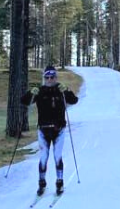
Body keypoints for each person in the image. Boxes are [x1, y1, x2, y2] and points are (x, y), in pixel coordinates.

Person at [21, 65, 78, 196]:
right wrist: (31, 93)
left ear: (56, 77)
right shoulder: (40, 91)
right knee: (43, 157)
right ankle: (42, 183)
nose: (50, 79)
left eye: (52, 77)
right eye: (47, 77)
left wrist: (67, 91)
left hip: (59, 130)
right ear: (44, 78)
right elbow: (23, 101)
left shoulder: (61, 90)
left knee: (57, 156)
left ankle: (60, 183)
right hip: (43, 130)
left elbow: (74, 100)